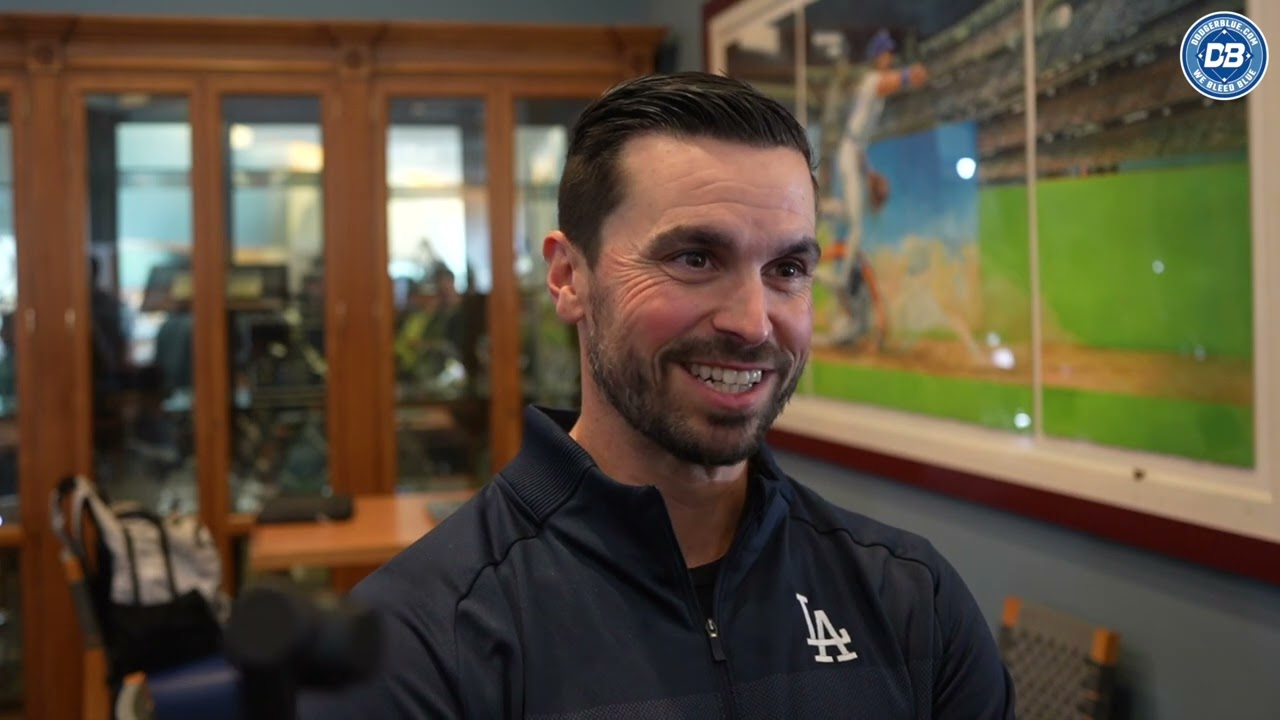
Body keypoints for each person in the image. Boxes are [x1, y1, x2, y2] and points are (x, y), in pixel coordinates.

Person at [299, 71, 1014, 719]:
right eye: (695, 258)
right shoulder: (420, 643)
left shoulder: (911, 600)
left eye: (787, 268)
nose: (753, 322)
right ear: (568, 277)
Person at [824, 29, 928, 348]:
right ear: (877, 56)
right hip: (850, 150)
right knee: (856, 223)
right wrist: (911, 74)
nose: (890, 58)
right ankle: (842, 277)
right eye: (886, 53)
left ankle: (822, 208)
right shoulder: (872, 80)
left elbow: (861, 137)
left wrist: (869, 171)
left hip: (855, 153)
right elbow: (893, 81)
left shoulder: (872, 86)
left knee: (851, 215)